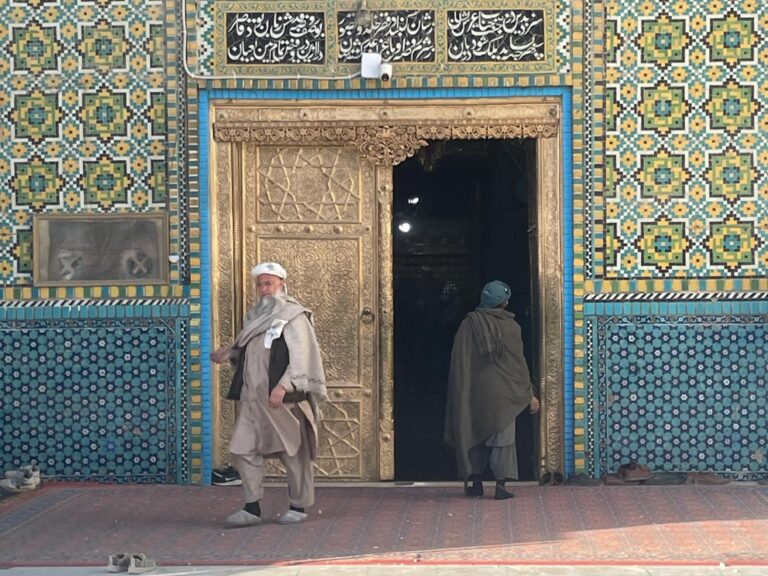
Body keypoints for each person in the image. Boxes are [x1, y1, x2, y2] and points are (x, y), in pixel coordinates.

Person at [211, 261, 327, 527]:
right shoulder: (255, 317)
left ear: (281, 284)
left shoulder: (294, 315)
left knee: (293, 452)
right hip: (254, 400)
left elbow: (303, 356)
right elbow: (252, 353)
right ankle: (252, 507)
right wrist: (231, 353)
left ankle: (298, 506)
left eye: (269, 283)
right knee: (242, 450)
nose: (264, 289)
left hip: (280, 400)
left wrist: (283, 386)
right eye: (260, 284)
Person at [444, 280, 540, 500]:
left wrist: (461, 390)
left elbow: (460, 362)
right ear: (504, 303)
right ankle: (501, 486)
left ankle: (476, 483)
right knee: (502, 439)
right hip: (503, 393)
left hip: (474, 391)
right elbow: (518, 363)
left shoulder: (468, 325)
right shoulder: (510, 327)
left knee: (476, 433)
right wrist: (530, 393)